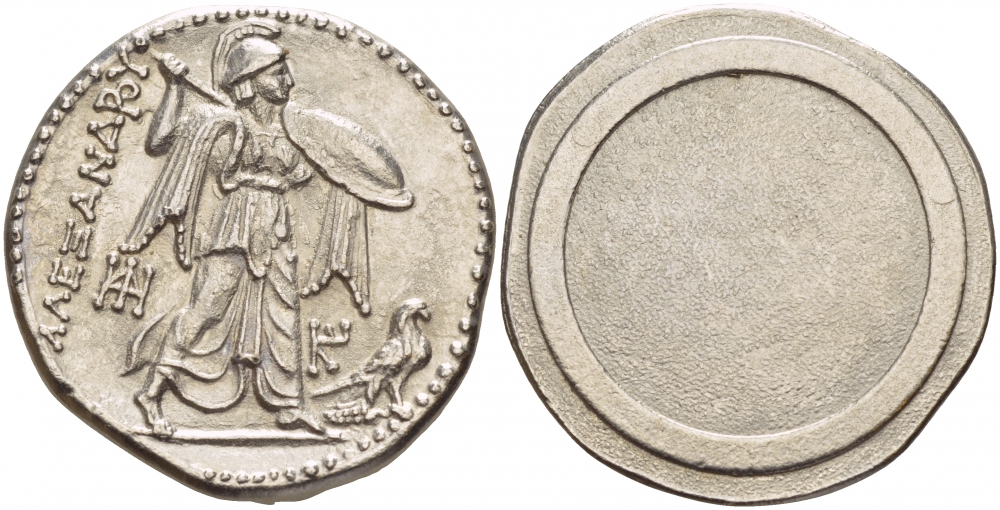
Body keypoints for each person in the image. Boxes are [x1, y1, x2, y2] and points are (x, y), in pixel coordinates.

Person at [125, 21, 411, 438]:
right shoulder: (222, 122)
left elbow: (330, 170)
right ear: (250, 80)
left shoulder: (293, 131)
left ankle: (289, 405)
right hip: (235, 223)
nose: (288, 80)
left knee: (283, 313)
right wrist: (173, 87)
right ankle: (151, 393)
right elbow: (159, 141)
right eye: (277, 73)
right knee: (209, 308)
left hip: (276, 226)